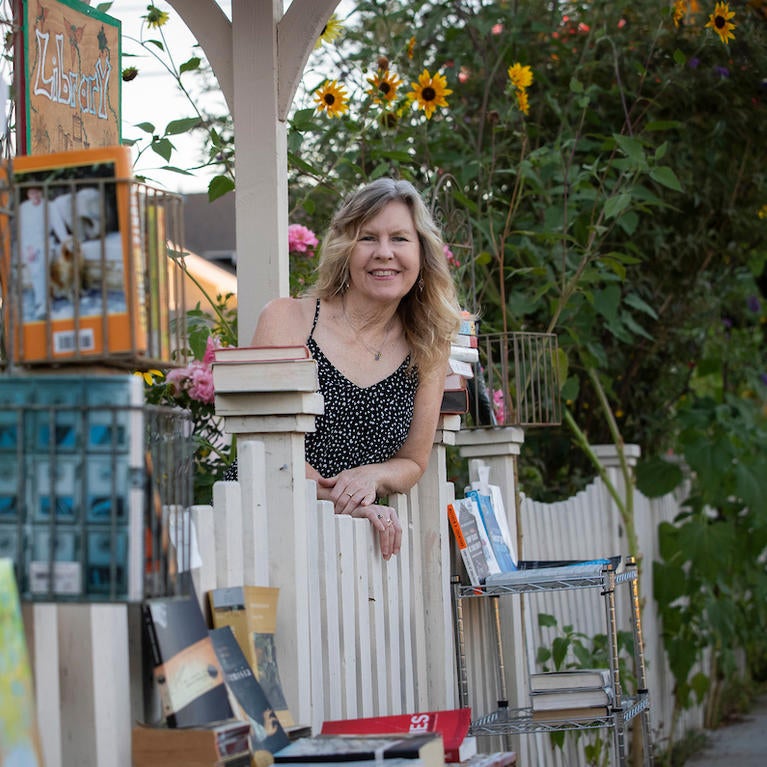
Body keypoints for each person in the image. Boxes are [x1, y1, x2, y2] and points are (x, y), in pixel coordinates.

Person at [250, 177, 462, 560]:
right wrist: (343, 499)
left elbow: (414, 461)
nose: (384, 252)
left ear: (421, 253)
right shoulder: (288, 320)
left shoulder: (428, 343)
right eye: (368, 238)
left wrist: (374, 475)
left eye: (399, 238)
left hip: (353, 558)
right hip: (265, 531)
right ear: (345, 249)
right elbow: (264, 447)